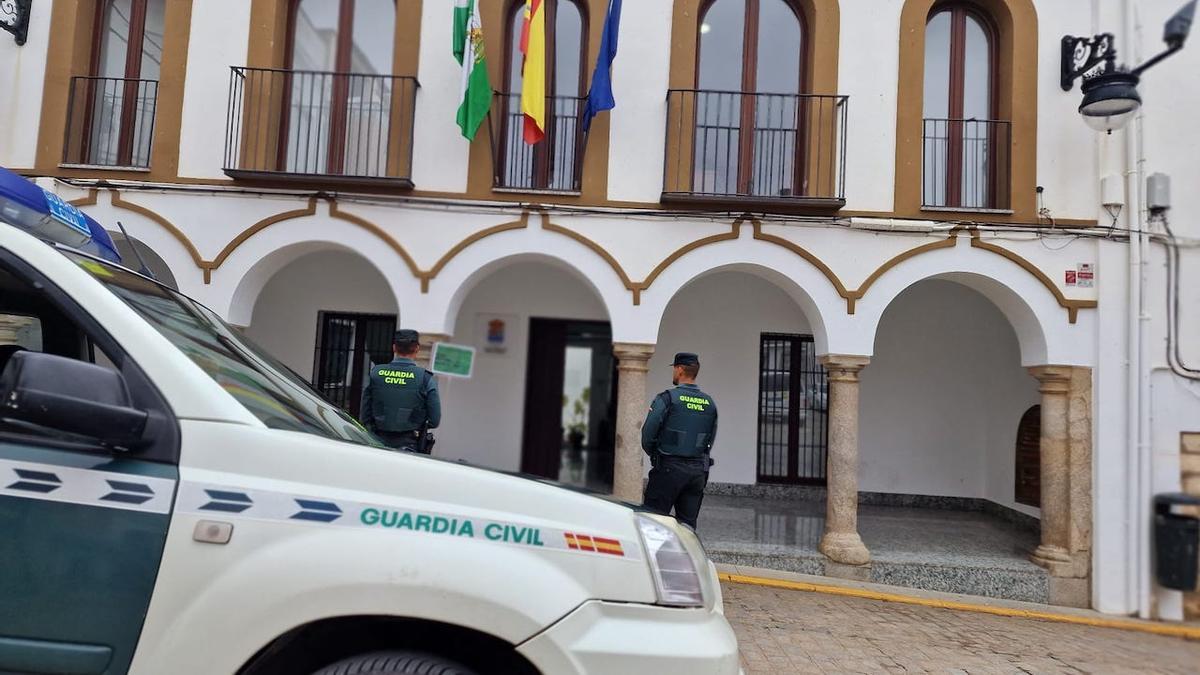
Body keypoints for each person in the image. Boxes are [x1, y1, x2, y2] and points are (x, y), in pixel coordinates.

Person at [641, 352, 718, 529]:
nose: (673, 373)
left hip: (668, 469)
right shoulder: (709, 403)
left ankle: (654, 557)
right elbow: (709, 440)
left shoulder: (667, 398)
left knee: (653, 523)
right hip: (697, 472)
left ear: (680, 369)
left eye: (674, 368)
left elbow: (647, 434)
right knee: (687, 527)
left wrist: (656, 455)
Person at [361, 329, 441, 453]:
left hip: (376, 443)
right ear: (417, 349)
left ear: (394, 348)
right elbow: (434, 420)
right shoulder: (426, 379)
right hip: (409, 445)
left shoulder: (375, 374)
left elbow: (365, 415)